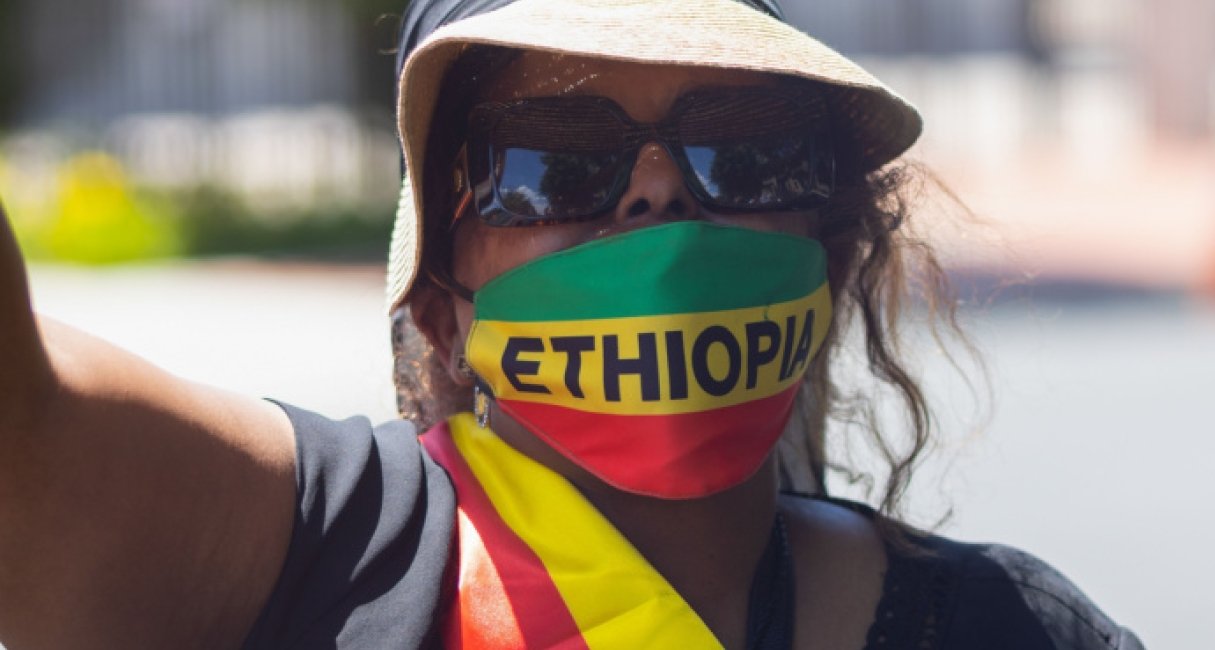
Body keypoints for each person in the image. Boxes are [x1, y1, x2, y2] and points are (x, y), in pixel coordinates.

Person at [0, 0, 1145, 648]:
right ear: (440, 302)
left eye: (742, 144)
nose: (654, 194)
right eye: (551, 165)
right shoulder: (311, 547)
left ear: (833, 245)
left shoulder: (1017, 630)